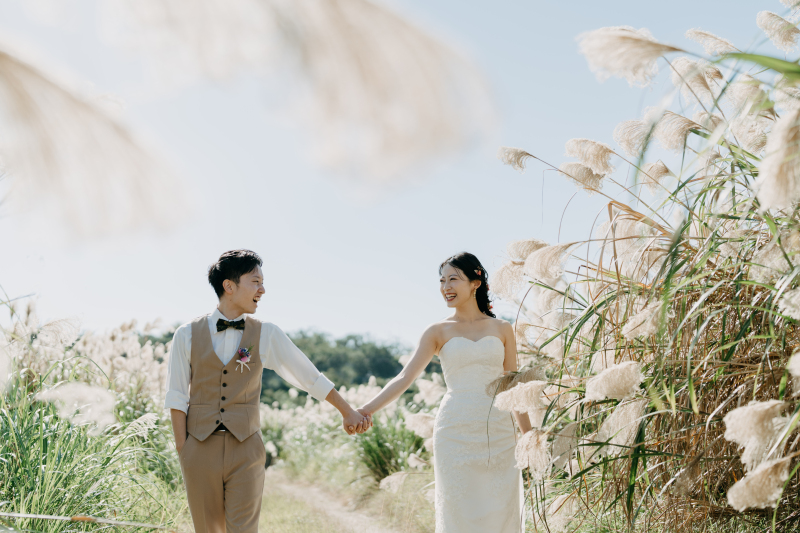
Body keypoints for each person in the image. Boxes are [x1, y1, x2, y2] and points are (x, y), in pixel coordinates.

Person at [164, 249, 368, 533]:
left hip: (246, 447)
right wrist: (183, 449)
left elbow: (308, 375)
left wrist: (347, 410)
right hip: (198, 448)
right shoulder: (185, 334)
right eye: (255, 281)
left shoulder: (267, 333)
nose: (263, 289)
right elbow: (176, 396)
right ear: (229, 286)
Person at [357, 252, 531, 533]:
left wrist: (529, 435)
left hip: (498, 431)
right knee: (459, 510)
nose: (445, 287)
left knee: (501, 509)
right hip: (455, 430)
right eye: (441, 281)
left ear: (475, 282)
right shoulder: (437, 330)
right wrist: (366, 410)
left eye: (453, 279)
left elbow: (512, 385)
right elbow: (405, 377)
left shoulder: (502, 329)